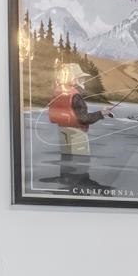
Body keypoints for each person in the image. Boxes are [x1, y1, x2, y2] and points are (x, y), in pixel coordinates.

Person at [47, 63, 109, 192]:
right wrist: (101, 113)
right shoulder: (75, 96)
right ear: (74, 80)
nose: (84, 81)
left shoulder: (58, 92)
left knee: (66, 164)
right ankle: (79, 193)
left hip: (63, 132)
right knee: (80, 165)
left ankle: (66, 189)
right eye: (81, 78)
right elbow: (84, 119)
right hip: (77, 135)